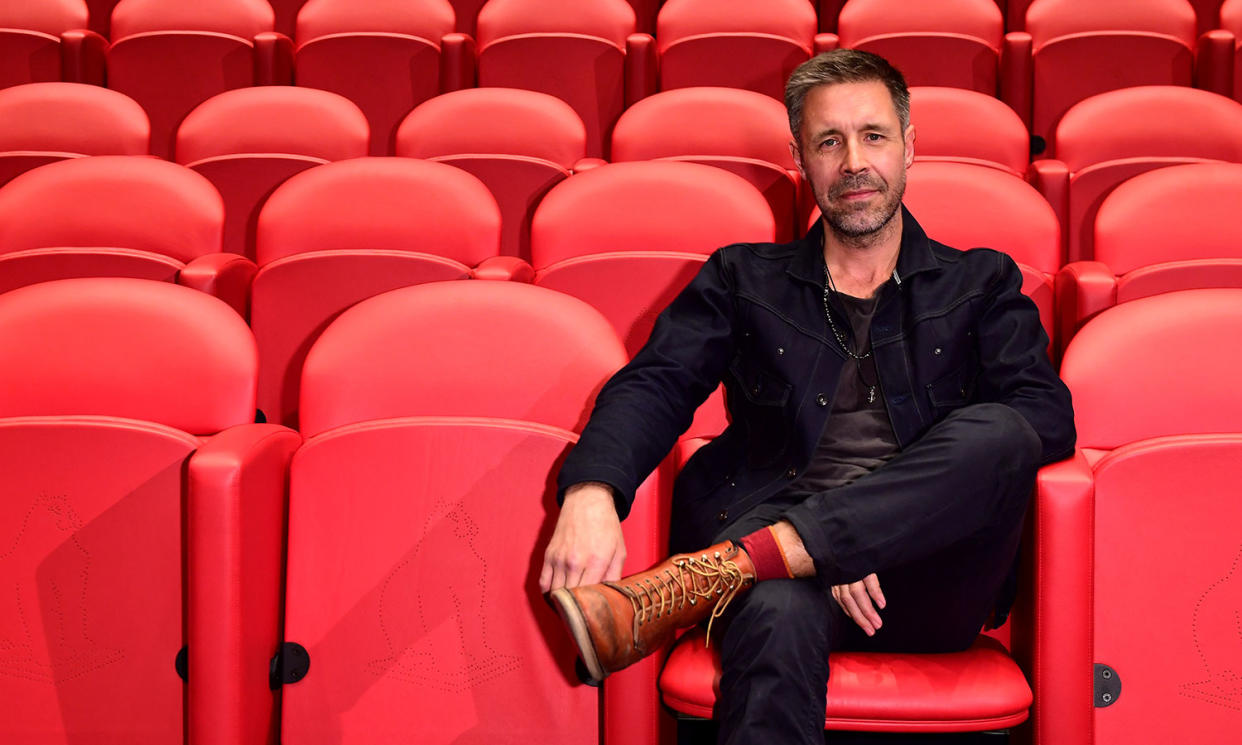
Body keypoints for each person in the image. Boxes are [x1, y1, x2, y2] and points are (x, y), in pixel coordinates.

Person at [540, 49, 1075, 745]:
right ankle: (775, 556)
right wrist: (590, 491)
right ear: (802, 157)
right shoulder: (742, 278)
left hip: (928, 576)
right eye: (830, 140)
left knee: (1002, 432)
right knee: (774, 610)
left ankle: (766, 553)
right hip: (773, 571)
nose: (854, 160)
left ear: (911, 147)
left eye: (874, 136)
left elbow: (1046, 418)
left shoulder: (981, 283)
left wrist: (856, 536)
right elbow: (658, 381)